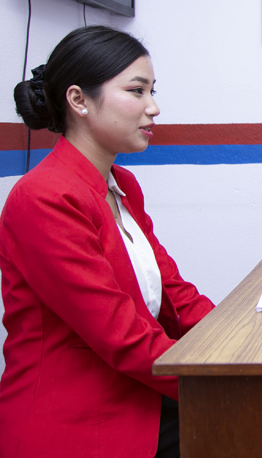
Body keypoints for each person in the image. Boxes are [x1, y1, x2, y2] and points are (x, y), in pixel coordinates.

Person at [0, 26, 215, 458]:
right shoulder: (43, 197)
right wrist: (223, 380)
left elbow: (175, 294)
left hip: (143, 392)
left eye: (152, 91)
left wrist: (241, 341)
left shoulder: (122, 185)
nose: (153, 108)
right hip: (80, 420)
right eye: (137, 91)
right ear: (78, 100)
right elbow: (119, 334)